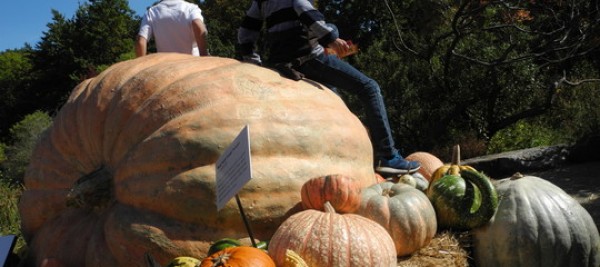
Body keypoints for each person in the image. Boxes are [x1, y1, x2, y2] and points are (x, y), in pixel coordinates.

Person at [237, 0, 420, 175]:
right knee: (369, 88)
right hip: (309, 59)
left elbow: (245, 31)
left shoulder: (260, 1)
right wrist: (331, 40)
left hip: (280, 64)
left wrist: (254, 63)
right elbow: (302, 8)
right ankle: (388, 156)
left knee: (335, 96)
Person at [136, 0, 209, 57]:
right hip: (192, 63)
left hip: (166, 66)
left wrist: (141, 66)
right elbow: (199, 27)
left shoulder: (151, 12)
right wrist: (204, 55)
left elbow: (141, 41)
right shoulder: (191, 8)